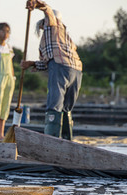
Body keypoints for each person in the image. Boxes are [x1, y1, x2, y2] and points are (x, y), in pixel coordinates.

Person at [20, 0, 83, 140]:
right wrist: (31, 64)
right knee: (66, 108)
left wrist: (36, 3)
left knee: (54, 105)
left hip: (61, 67)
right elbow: (47, 63)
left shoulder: (53, 26)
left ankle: (52, 141)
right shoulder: (64, 37)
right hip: (76, 70)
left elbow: (47, 10)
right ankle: (67, 140)